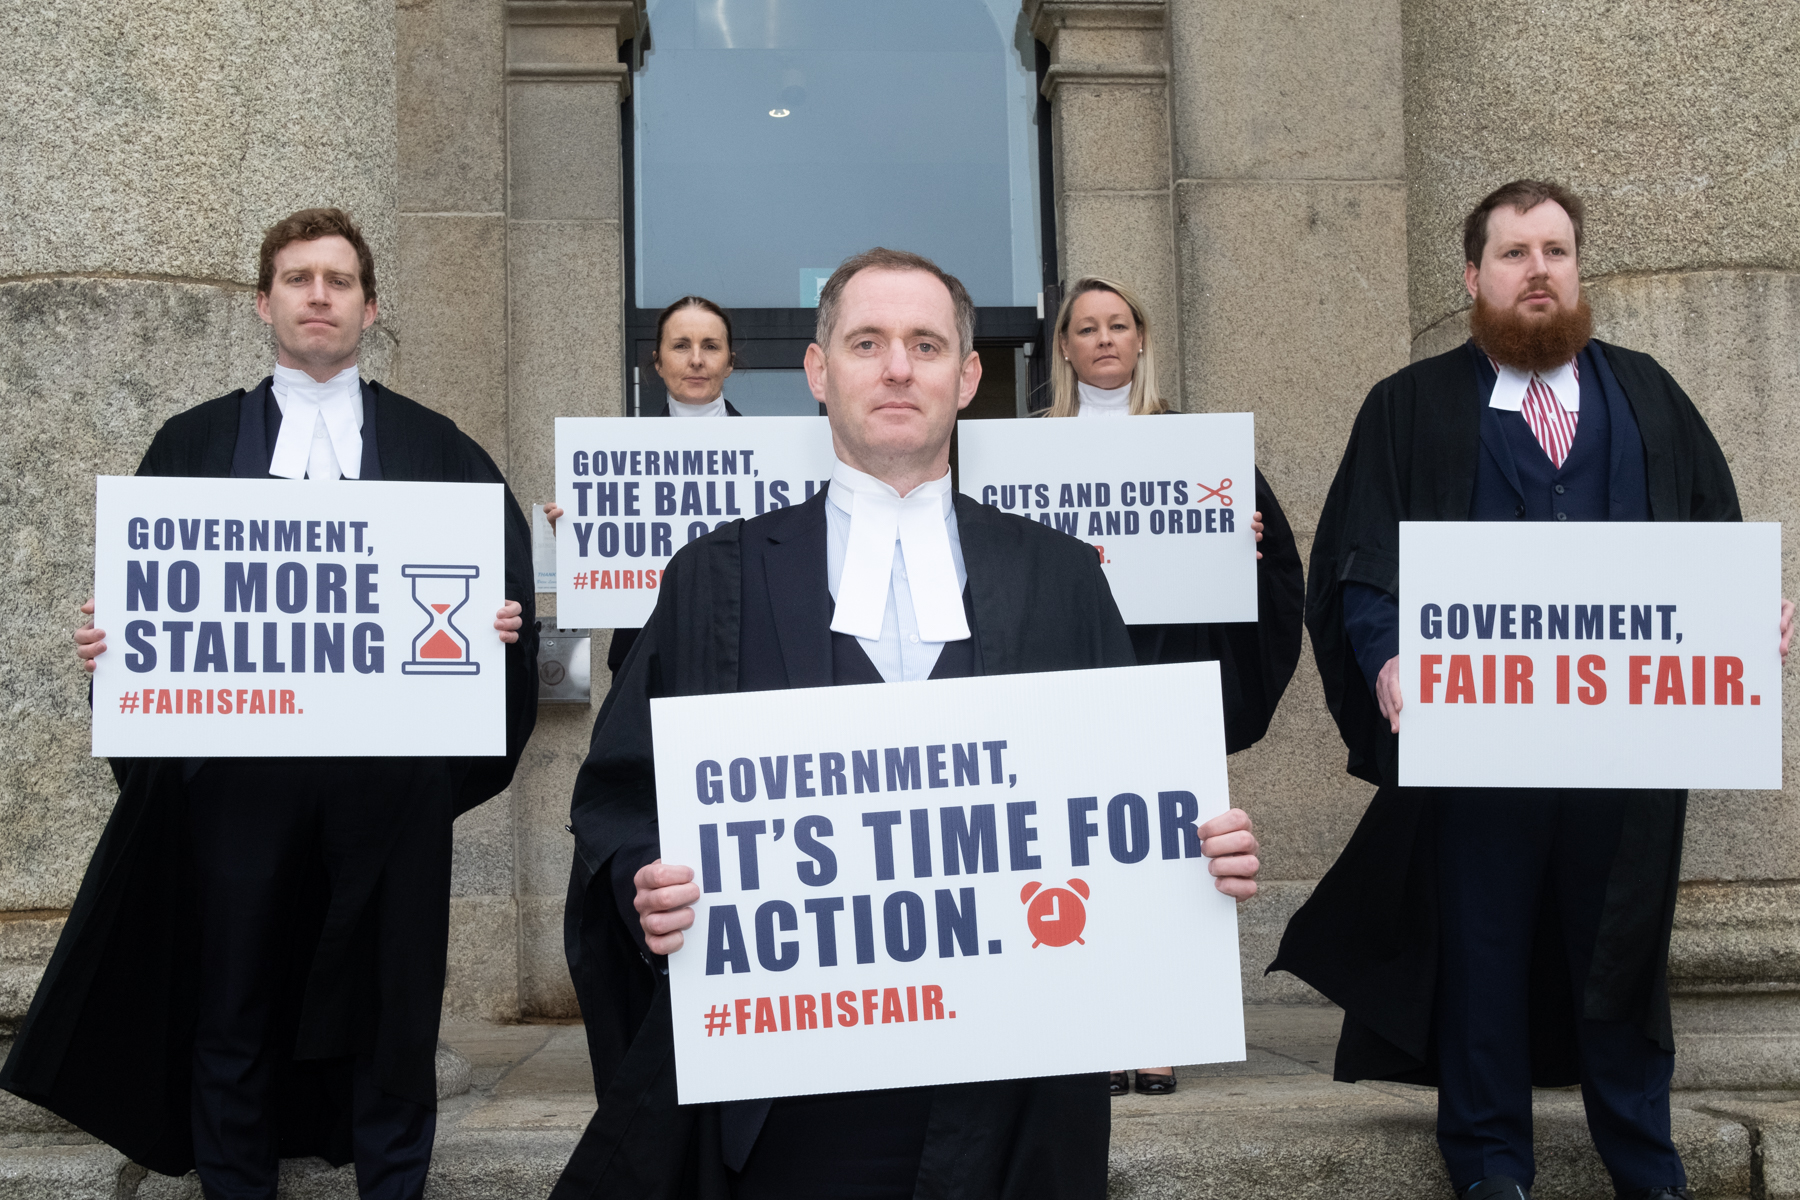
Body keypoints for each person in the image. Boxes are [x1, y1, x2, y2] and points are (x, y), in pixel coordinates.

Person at [552, 247, 1263, 1200]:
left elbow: (1118, 797)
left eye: (926, 345)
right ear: (818, 372)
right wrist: (650, 883)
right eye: (867, 342)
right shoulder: (711, 577)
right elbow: (617, 801)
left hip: (1012, 1091)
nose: (897, 367)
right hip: (787, 1101)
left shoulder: (1060, 575)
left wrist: (1196, 856)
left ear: (967, 378)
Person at [0, 208, 541, 1200]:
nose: (320, 295)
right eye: (299, 278)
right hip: (239, 783)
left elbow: (499, 604)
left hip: (389, 789)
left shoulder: (442, 448)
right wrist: (116, 658)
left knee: (395, 1002)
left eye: (339, 280)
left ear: (371, 307)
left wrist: (499, 633)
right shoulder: (192, 443)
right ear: (264, 303)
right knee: (232, 996)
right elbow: (148, 615)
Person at [1268, 180, 1794, 1200]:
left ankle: (1647, 1165)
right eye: (1514, 253)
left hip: (1630, 750)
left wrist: (1747, 620)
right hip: (1481, 753)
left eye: (1555, 249)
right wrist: (1384, 659)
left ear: (1578, 269)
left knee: (1623, 956)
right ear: (1475, 276)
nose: (1538, 269)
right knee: (1484, 957)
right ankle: (1492, 1168)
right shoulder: (1410, 408)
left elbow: (1714, 545)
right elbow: (1362, 569)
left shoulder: (1650, 397)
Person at [1045, 276, 1305, 1097]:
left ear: (1143, 338)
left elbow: (1272, 574)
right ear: (1065, 348)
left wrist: (1246, 544)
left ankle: (1155, 1032)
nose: (1104, 340)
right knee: (1074, 856)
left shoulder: (1199, 448)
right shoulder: (1031, 452)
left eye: (1118, 325)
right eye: (1086, 328)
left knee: (1166, 854)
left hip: (1167, 675)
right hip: (1072, 678)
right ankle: (1087, 1028)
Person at [546, 295, 741, 674]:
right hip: (647, 651)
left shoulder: (772, 453)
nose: (696, 359)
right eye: (681, 346)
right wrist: (578, 534)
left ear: (729, 362)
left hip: (742, 644)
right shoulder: (619, 457)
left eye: (711, 346)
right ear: (658, 361)